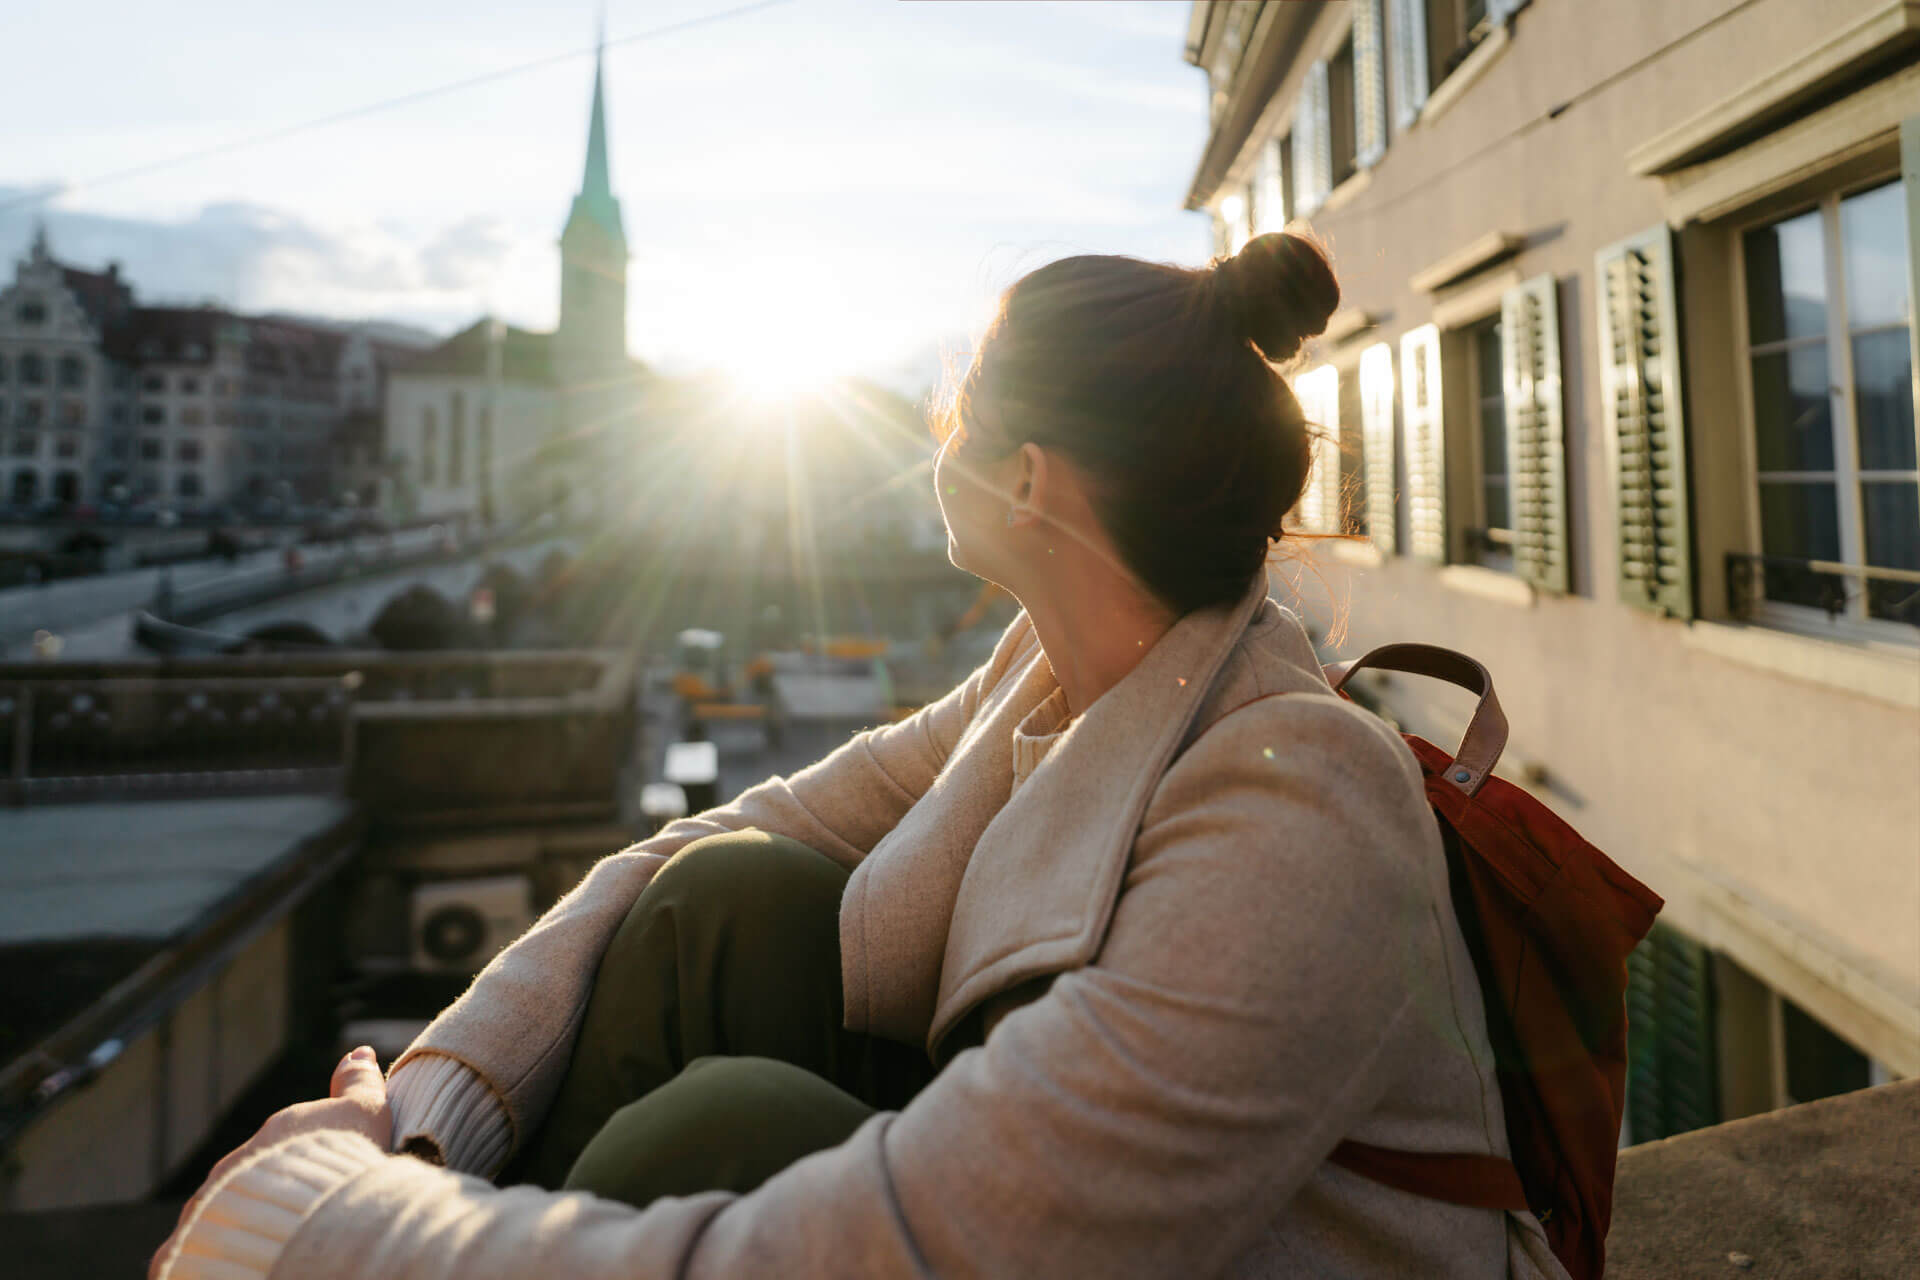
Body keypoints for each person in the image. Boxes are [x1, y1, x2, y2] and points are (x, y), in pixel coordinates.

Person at [151, 232, 1567, 1279]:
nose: (933, 440)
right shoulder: (1051, 676)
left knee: (720, 1131)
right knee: (724, 901)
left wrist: (318, 1230)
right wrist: (420, 1124)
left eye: (958, 412)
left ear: (1025, 478)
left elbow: (959, 1246)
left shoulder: (1301, 799)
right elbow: (708, 844)